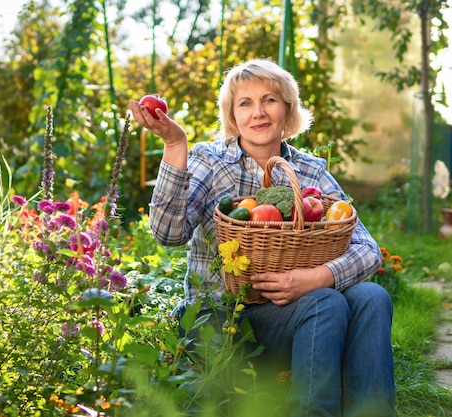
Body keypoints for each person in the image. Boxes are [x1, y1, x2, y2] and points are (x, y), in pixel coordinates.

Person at [129, 58, 395, 417]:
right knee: (326, 302)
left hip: (296, 314)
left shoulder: (309, 170)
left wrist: (313, 278)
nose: (259, 113)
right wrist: (175, 145)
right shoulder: (209, 160)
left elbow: (368, 249)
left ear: (288, 110)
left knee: (372, 296)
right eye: (245, 103)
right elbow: (168, 233)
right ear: (232, 115)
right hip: (224, 320)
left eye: (270, 100)